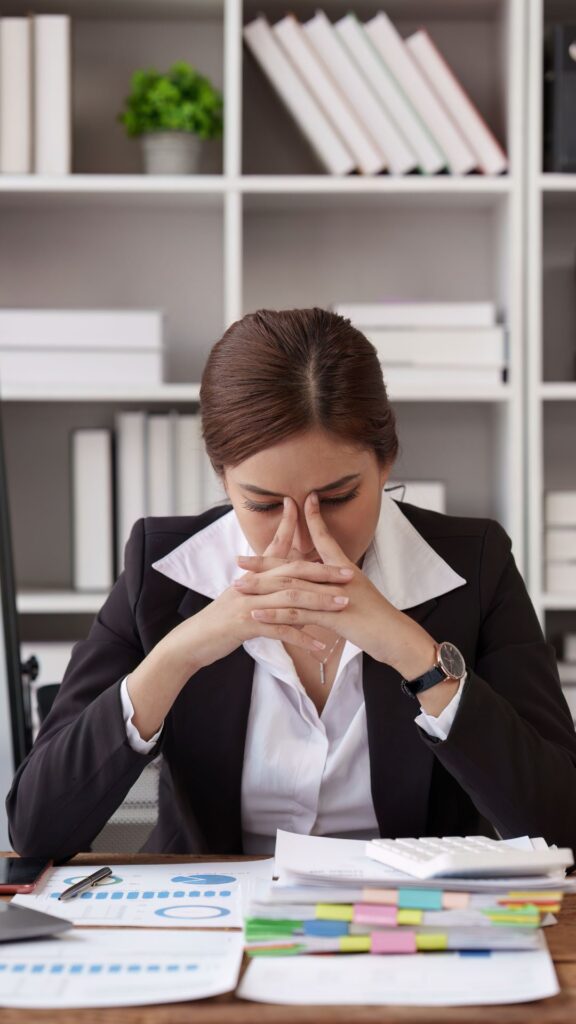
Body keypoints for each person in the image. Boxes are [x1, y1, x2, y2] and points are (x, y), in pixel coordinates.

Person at [6, 307, 576, 860]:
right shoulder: (161, 568)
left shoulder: (475, 567)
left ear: (386, 462)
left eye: (336, 498)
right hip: (213, 928)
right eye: (261, 503)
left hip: (410, 926)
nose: (302, 535)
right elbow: (35, 828)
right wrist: (179, 653)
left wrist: (414, 654)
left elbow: (562, 825)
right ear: (222, 477)